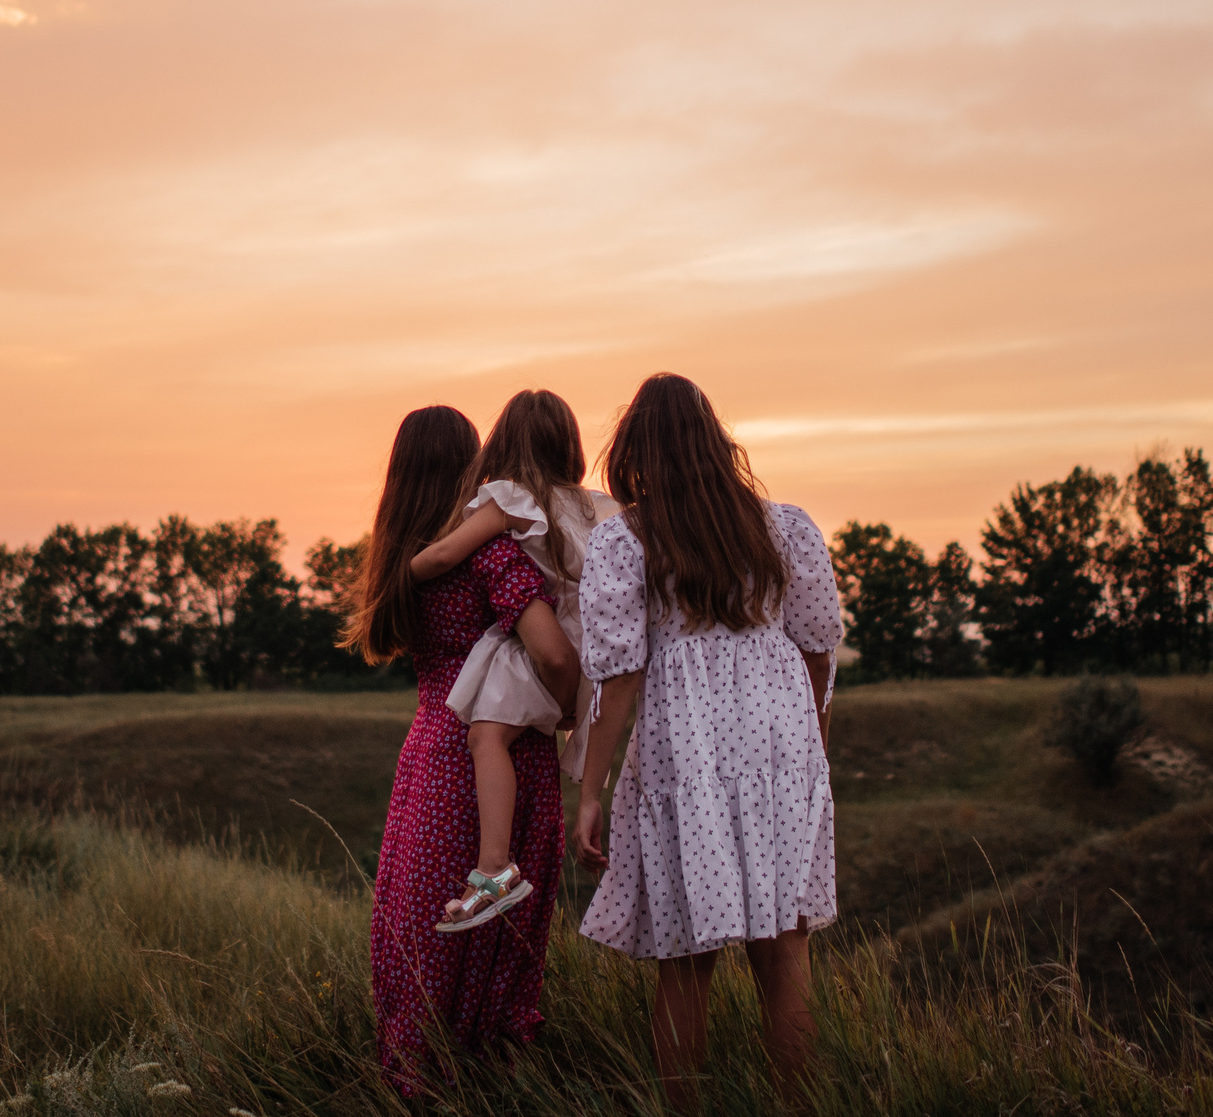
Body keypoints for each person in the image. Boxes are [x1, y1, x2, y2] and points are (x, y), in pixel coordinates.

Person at [572, 373, 843, 1112]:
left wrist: (590, 789)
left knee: (685, 961)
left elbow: (619, 675)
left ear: (634, 451)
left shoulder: (626, 539)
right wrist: (812, 748)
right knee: (786, 952)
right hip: (781, 745)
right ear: (715, 443)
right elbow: (818, 646)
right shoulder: (784, 526)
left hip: (685, 749)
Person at [346, 404, 581, 1093]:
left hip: (428, 751)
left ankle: (415, 1080)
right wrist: (567, 705)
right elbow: (552, 650)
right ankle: (492, 1087)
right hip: (504, 753)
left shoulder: (403, 561)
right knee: (496, 943)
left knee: (419, 928)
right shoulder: (493, 551)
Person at [403, 389, 619, 930]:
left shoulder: (512, 498)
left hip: (538, 646)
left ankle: (495, 867)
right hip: (589, 654)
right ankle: (500, 867)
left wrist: (403, 572)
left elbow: (449, 553)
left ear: (502, 442)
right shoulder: (597, 507)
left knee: (485, 736)